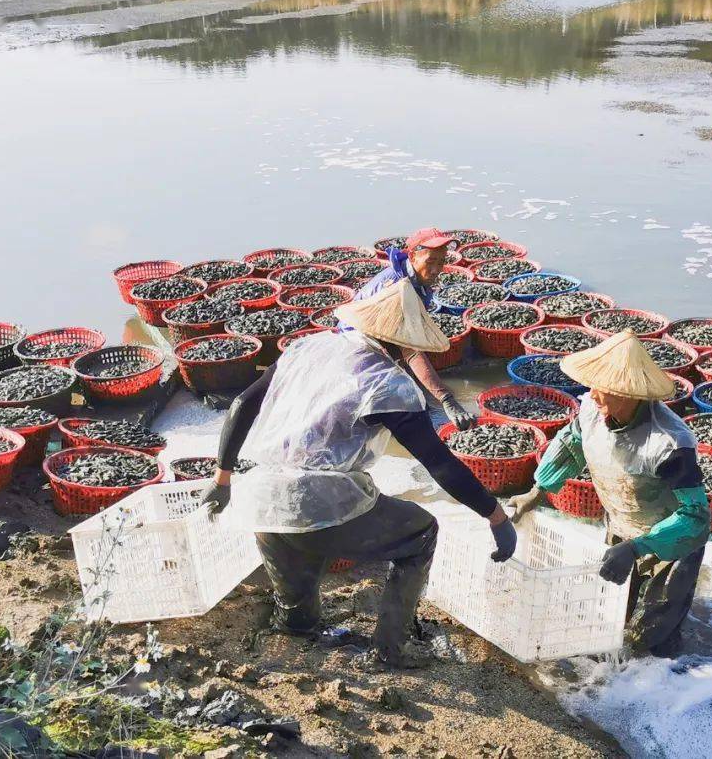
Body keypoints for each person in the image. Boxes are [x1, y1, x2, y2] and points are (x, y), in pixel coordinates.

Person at [206, 278, 517, 669]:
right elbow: (438, 462)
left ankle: (297, 627)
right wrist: (495, 515)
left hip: (263, 501)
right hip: (316, 509)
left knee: (298, 567)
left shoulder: (307, 348)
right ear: (406, 342)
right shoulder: (390, 386)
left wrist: (223, 478)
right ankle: (388, 652)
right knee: (420, 532)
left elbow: (240, 404)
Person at [507, 330, 711, 657]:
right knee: (613, 617)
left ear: (629, 393)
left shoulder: (669, 444)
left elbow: (696, 518)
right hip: (620, 530)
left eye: (604, 390)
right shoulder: (593, 408)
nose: (594, 396)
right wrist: (539, 490)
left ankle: (670, 683)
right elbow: (571, 443)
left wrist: (638, 547)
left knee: (653, 633)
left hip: (671, 545)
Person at [346, 227, 478, 431]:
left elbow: (408, 338)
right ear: (413, 256)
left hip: (380, 340)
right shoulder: (397, 288)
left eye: (441, 262)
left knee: (410, 394)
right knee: (383, 413)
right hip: (355, 348)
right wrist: (446, 398)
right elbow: (410, 349)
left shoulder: (418, 282)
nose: (436, 269)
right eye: (430, 261)